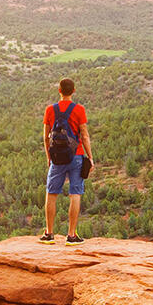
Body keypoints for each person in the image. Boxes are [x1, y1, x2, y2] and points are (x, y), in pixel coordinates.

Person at [40, 77, 93, 245]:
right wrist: (90, 157)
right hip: (76, 155)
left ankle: (49, 233)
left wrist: (49, 157)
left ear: (59, 90)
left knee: (51, 193)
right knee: (75, 193)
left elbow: (46, 136)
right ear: (74, 91)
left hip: (57, 157)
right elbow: (84, 135)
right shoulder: (79, 110)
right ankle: (71, 235)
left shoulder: (50, 110)